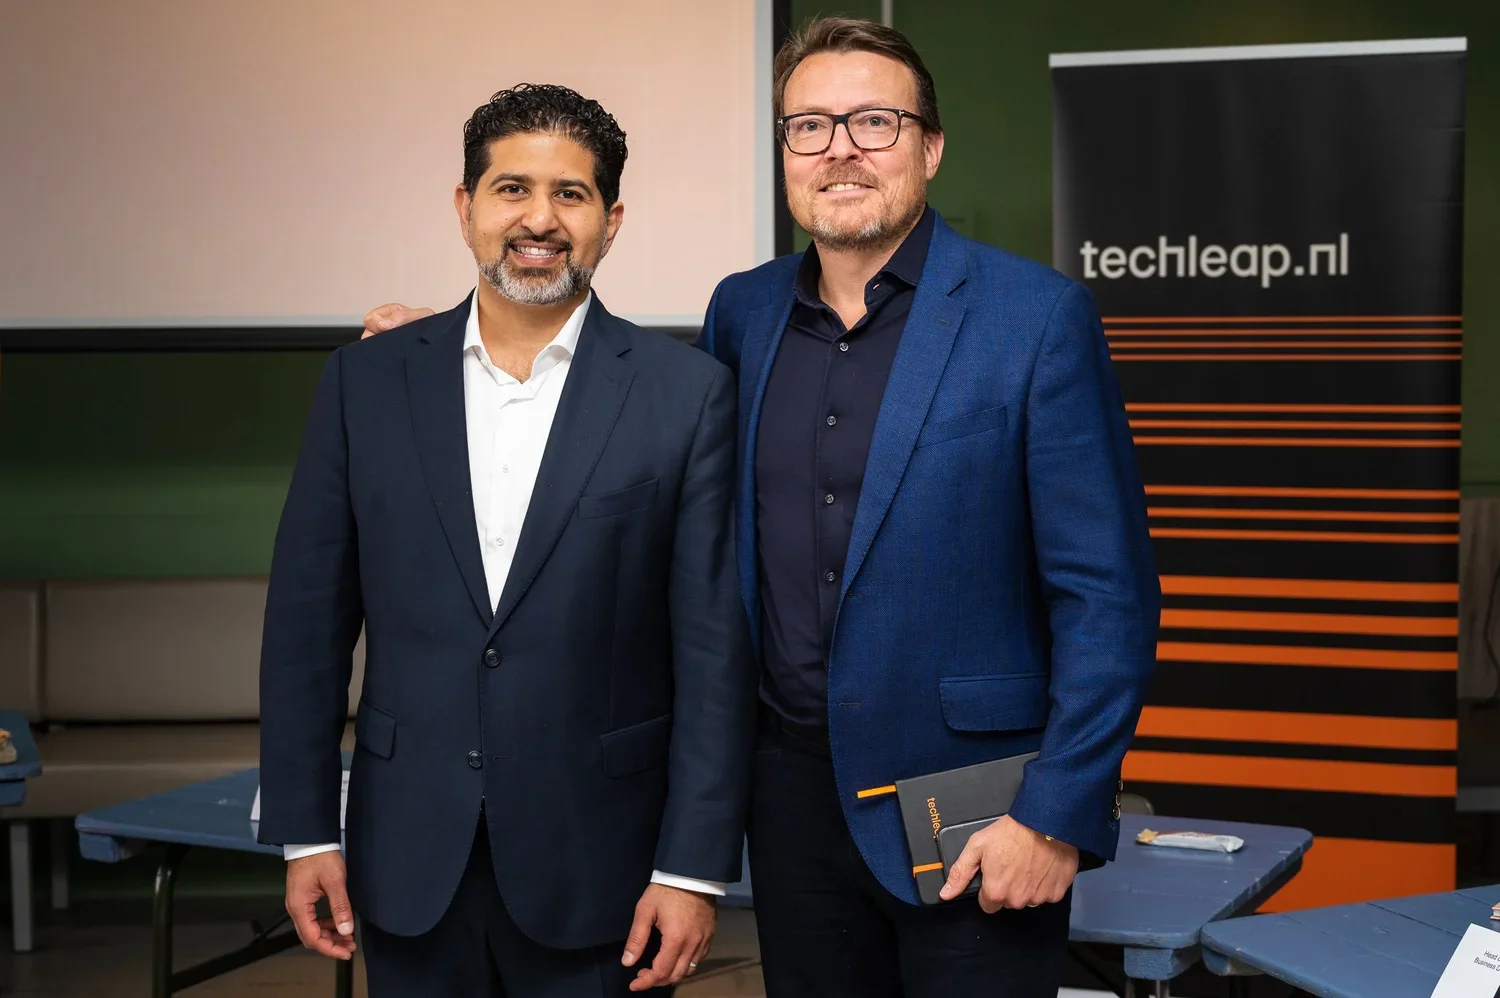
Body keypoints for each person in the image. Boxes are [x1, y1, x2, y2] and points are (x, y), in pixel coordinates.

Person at [363, 18, 1159, 998]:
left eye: (875, 120)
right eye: (810, 126)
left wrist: (1054, 814)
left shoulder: (1036, 319)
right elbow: (623, 398)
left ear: (931, 146)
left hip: (973, 814)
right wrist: (449, 339)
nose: (842, 150)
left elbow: (1108, 597)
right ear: (785, 154)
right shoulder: (741, 312)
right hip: (786, 805)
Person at [258, 83, 757, 998]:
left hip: (605, 867)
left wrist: (691, 869)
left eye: (570, 193)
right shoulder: (364, 386)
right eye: (511, 188)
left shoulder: (686, 396)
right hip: (406, 860)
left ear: (612, 219)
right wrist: (306, 832)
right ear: (466, 208)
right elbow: (305, 626)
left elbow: (713, 652)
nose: (540, 218)